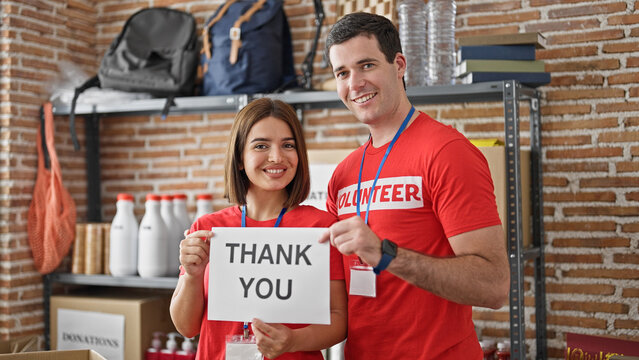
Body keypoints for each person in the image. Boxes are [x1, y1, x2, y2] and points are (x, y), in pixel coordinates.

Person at [318, 12, 510, 359]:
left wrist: (386, 255)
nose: (355, 83)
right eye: (342, 73)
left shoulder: (447, 152)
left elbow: (494, 286)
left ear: (399, 65)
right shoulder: (343, 175)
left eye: (367, 65)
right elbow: (333, 294)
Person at [170, 98, 347, 360]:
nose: (277, 157)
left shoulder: (320, 227)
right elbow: (186, 327)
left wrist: (294, 341)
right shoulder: (208, 228)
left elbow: (339, 320)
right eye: (261, 145)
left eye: (288, 145)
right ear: (240, 158)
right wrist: (192, 276)